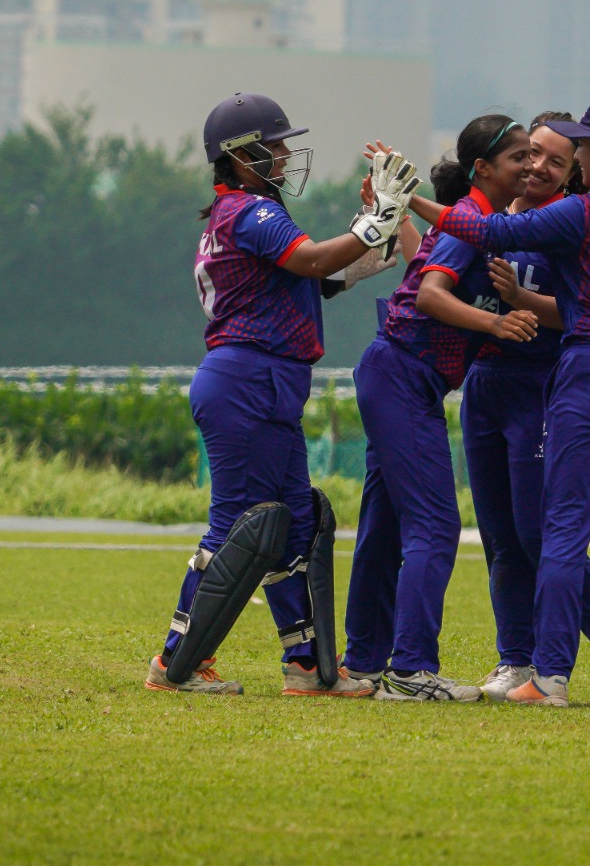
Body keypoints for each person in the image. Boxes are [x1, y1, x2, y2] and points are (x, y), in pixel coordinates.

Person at [407, 98, 590, 708]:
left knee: (563, 527)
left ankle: (549, 677)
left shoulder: (583, 212)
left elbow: (486, 229)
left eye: (581, 149)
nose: (571, 161)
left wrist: (407, 197)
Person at [145, 92, 419, 696]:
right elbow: (319, 258)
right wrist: (375, 221)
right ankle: (175, 661)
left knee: (295, 525)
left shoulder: (244, 214)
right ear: (239, 157)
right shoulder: (251, 212)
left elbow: (330, 273)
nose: (285, 154)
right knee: (236, 528)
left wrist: (386, 223)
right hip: (248, 380)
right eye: (274, 146)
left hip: (259, 382)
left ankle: (305, 665)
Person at [343, 114, 539, 702]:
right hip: (402, 374)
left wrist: (400, 210)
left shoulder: (482, 222)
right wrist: (497, 323)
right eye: (518, 158)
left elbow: (420, 263)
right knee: (435, 524)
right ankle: (411, 672)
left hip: (401, 379)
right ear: (483, 170)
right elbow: (430, 292)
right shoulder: (475, 219)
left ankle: (361, 665)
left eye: (534, 155)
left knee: (384, 528)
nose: (530, 166)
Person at [465, 112, 590, 703]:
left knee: (539, 533)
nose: (537, 167)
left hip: (542, 386)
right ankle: (515, 658)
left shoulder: (577, 227)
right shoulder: (492, 216)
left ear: (575, 172)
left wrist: (523, 301)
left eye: (555, 160)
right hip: (483, 384)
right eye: (530, 154)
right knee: (498, 535)